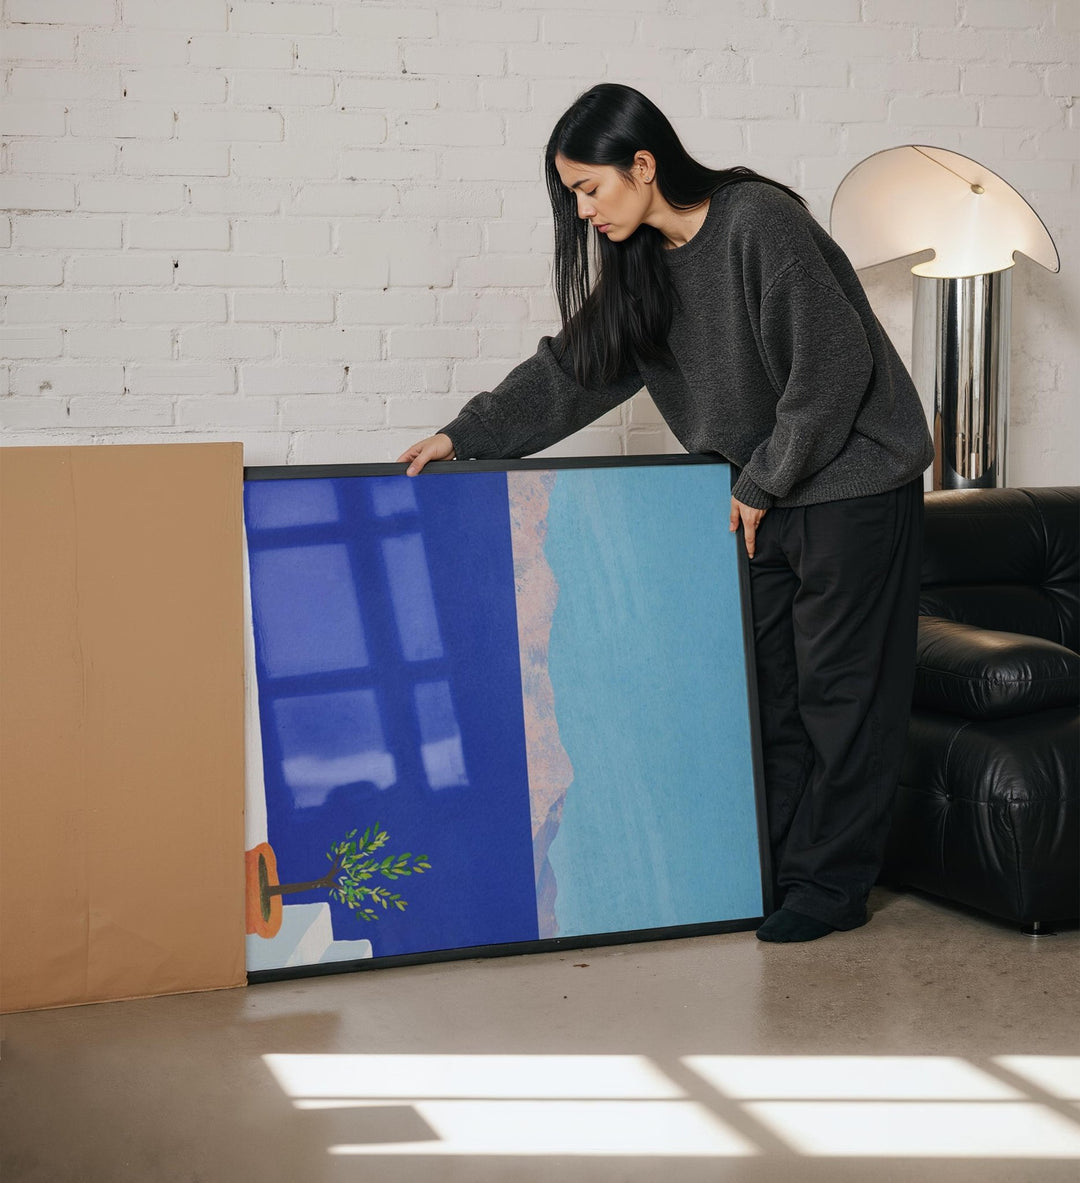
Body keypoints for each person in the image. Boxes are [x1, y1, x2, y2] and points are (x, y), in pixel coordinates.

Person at [397, 83, 934, 943]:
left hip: (851, 479)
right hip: (762, 493)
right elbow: (575, 370)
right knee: (766, 694)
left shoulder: (758, 222)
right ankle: (775, 872)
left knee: (843, 694)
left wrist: (762, 481)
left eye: (590, 189)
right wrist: (468, 435)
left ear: (643, 165)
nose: (582, 212)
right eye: (571, 195)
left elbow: (831, 371)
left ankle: (829, 888)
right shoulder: (643, 263)